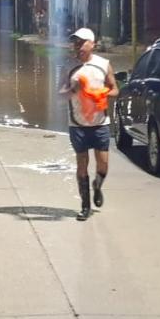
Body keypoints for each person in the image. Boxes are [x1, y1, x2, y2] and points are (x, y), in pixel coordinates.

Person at [60, 28, 119, 221]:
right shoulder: (69, 67)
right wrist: (73, 89)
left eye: (82, 42)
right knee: (81, 164)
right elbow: (61, 95)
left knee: (103, 164)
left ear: (92, 44)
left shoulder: (104, 65)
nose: (78, 46)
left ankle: (97, 186)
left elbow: (115, 90)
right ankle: (85, 206)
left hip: (100, 123)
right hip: (77, 123)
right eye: (75, 43)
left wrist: (101, 93)